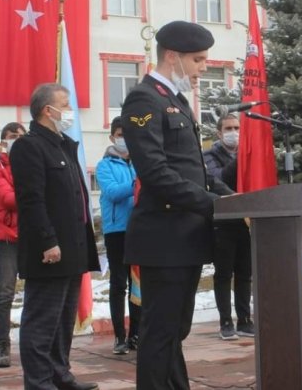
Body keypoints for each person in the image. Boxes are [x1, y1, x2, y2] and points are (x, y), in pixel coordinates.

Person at [121, 20, 233, 390]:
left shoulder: (176, 100)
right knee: (160, 331)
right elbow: (155, 171)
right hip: (163, 235)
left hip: (184, 234)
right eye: (198, 60)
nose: (204, 68)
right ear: (173, 56)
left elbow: (193, 166)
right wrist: (211, 203)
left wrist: (229, 196)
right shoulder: (144, 99)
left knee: (175, 328)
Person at [10, 83, 100, 390]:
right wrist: (48, 240)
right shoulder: (29, 146)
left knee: (63, 321)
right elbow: (31, 200)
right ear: (48, 110)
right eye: (66, 104)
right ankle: (39, 382)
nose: (70, 110)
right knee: (41, 322)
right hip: (49, 250)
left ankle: (60, 374)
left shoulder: (64, 144)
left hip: (73, 249)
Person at [203, 113, 254, 340]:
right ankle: (226, 321)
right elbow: (218, 179)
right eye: (229, 129)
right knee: (224, 273)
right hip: (223, 223)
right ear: (219, 133)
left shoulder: (250, 154)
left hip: (248, 221)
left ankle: (245, 320)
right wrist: (241, 157)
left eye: (237, 128)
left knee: (245, 273)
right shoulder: (210, 156)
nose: (234, 133)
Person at [96, 116, 141, 355]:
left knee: (137, 284)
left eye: (127, 134)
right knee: (118, 284)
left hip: (138, 229)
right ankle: (119, 336)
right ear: (112, 136)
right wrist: (137, 180)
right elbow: (113, 193)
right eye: (120, 134)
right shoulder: (105, 166)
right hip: (116, 231)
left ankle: (136, 333)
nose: (124, 139)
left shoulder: (138, 162)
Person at [0, 122, 26, 368]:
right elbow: (8, 199)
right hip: (9, 237)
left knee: (37, 293)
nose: (17, 140)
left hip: (32, 235)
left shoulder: (30, 162)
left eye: (21, 136)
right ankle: (2, 346)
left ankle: (36, 343)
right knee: (6, 292)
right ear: (3, 140)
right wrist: (33, 192)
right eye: (12, 136)